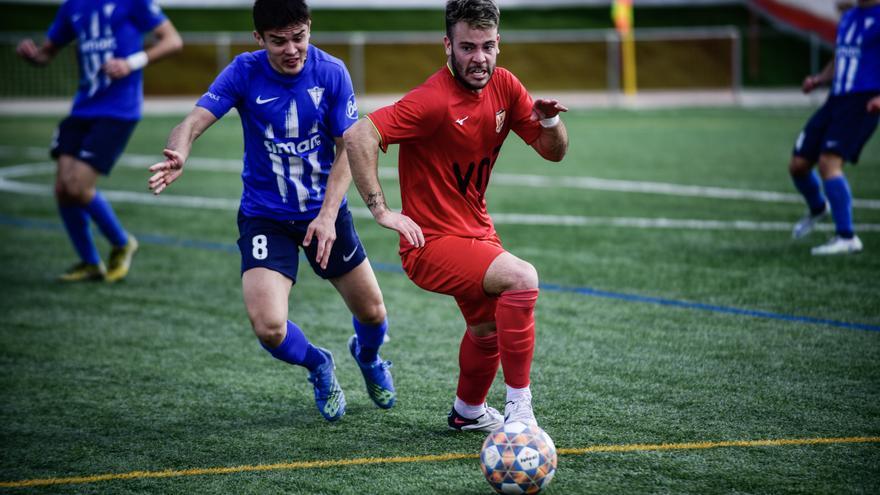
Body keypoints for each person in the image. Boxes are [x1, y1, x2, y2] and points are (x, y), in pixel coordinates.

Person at [147, 0, 394, 422]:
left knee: (372, 312)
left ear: (309, 29)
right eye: (279, 41)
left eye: (299, 37)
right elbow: (193, 121)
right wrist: (180, 151)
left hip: (324, 213)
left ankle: (368, 358)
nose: (292, 49)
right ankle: (318, 363)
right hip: (266, 215)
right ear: (259, 39)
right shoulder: (244, 71)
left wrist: (328, 214)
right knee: (269, 327)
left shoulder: (331, 72)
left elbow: (350, 149)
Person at [344, 0, 568, 431]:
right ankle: (521, 410)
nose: (478, 58)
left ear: (498, 44)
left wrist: (549, 124)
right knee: (522, 278)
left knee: (488, 332)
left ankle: (468, 413)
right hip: (430, 245)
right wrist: (382, 211)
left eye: (486, 46)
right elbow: (359, 135)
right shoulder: (432, 100)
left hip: (476, 235)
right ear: (447, 45)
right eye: (467, 47)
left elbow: (552, 153)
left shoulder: (505, 86)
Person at [17, 0, 183, 281]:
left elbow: (173, 40)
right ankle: (90, 262)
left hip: (118, 109)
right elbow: (48, 53)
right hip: (82, 108)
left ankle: (121, 242)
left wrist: (131, 63)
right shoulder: (72, 6)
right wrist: (34, 56)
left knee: (77, 185)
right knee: (63, 189)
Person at [789, 0, 879, 255]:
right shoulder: (849, 17)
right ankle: (818, 207)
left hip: (863, 102)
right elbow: (842, 55)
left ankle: (847, 236)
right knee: (798, 164)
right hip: (835, 99)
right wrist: (819, 79)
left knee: (829, 163)